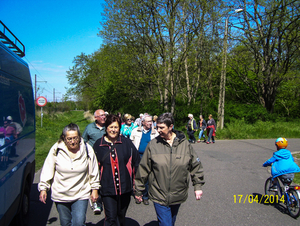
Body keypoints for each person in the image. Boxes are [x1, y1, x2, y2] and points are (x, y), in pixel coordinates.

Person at [135, 112, 205, 226]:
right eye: (157, 127)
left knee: (170, 222)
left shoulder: (185, 145)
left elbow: (196, 166)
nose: (158, 130)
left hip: (178, 193)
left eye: (162, 127)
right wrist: (138, 189)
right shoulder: (153, 145)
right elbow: (143, 169)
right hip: (159, 194)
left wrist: (198, 186)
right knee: (166, 224)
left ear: (171, 127)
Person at [38, 123, 100, 226]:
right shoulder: (57, 149)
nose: (72, 142)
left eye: (75, 138)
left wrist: (95, 189)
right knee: (65, 223)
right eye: (69, 139)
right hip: (61, 194)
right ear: (63, 138)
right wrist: (43, 188)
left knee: (79, 223)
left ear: (80, 137)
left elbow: (93, 170)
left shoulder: (87, 149)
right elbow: (48, 168)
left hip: (81, 193)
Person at [93, 114, 140, 226]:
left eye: (116, 127)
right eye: (111, 127)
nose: (113, 130)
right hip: (107, 188)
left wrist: (137, 185)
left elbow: (136, 163)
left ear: (120, 128)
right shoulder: (98, 145)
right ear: (106, 128)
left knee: (121, 216)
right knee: (111, 218)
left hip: (125, 188)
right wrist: (93, 189)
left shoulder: (127, 143)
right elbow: (93, 169)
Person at [130, 114, 159, 205]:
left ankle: (145, 196)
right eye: (148, 121)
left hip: (150, 157)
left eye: (151, 121)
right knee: (137, 176)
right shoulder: (135, 131)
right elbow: (131, 143)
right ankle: (138, 195)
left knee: (147, 177)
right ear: (142, 122)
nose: (150, 123)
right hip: (138, 156)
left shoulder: (155, 133)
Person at [82, 109, 106, 214]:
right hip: (93, 158)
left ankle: (107, 199)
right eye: (101, 115)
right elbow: (83, 141)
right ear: (95, 117)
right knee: (95, 178)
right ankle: (97, 202)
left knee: (105, 178)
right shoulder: (89, 128)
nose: (103, 117)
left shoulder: (108, 126)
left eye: (104, 115)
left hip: (106, 157)